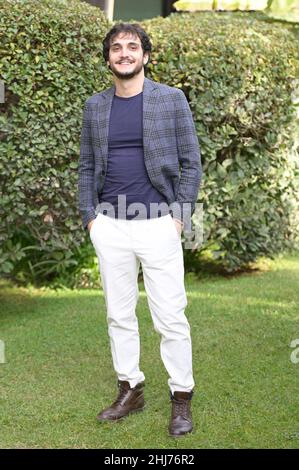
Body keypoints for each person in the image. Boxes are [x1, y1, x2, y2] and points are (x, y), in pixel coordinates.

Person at [78, 22, 202, 437]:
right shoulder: (95, 106)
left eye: (133, 47)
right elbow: (86, 167)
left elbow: (191, 162)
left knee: (170, 316)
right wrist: (90, 218)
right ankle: (130, 388)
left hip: (158, 226)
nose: (124, 53)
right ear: (108, 58)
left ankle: (181, 397)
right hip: (110, 225)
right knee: (118, 314)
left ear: (146, 56)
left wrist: (179, 216)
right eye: (117, 48)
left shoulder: (171, 100)